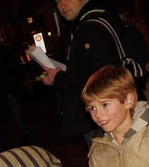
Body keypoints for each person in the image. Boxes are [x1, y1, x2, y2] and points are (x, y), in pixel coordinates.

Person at [41, 0, 124, 148]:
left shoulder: (90, 26)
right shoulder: (87, 23)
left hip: (102, 115)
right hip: (103, 112)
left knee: (108, 163)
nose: (62, 5)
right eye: (58, 2)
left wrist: (59, 77)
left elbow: (97, 77)